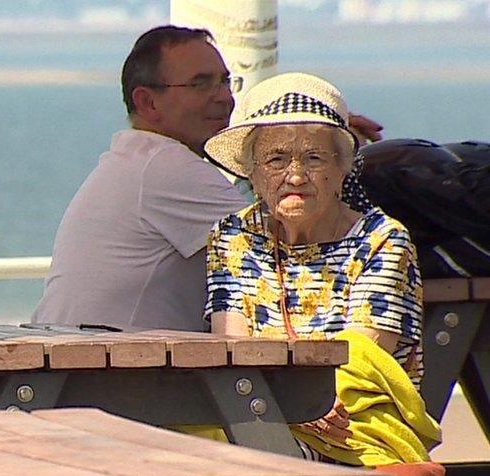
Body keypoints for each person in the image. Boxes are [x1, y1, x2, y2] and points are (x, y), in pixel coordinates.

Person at [202, 72, 459, 476]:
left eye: (314, 157)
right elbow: (230, 349)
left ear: (342, 168)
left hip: (353, 431)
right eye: (277, 158)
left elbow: (357, 363)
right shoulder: (233, 236)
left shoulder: (381, 239)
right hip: (258, 408)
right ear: (253, 173)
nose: (295, 175)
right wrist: (287, 401)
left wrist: (294, 399)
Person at [31, 25, 384, 330]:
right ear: (148, 103)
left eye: (225, 81)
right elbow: (297, 235)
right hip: (110, 381)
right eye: (201, 85)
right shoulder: (164, 166)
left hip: (86, 367)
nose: (224, 98)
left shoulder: (136, 161)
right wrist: (325, 144)